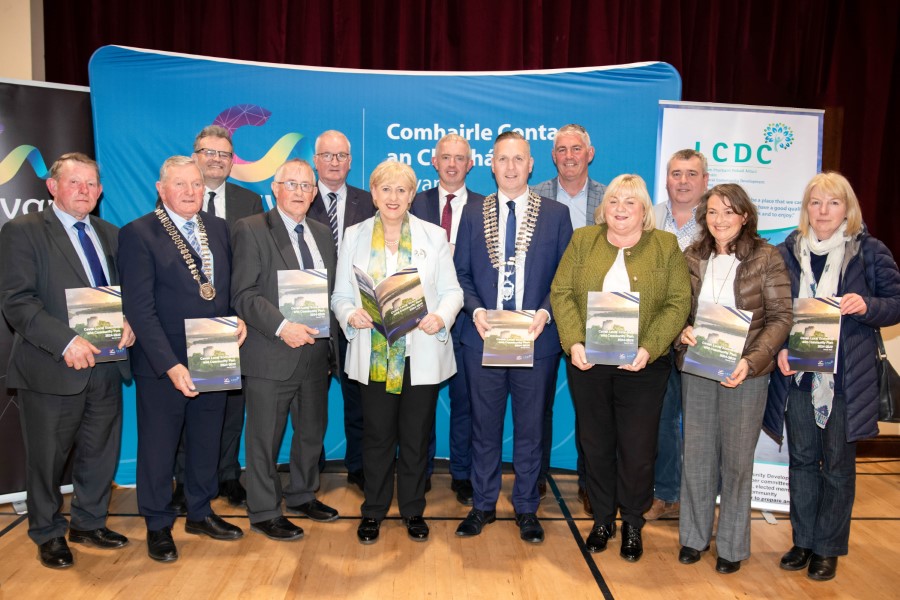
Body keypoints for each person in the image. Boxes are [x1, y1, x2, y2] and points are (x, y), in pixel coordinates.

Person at [0, 153, 134, 569]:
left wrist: (127, 319)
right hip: (51, 366)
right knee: (48, 457)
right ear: (52, 187)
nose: (85, 191)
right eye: (75, 182)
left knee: (100, 451)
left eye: (92, 184)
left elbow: (121, 292)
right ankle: (47, 531)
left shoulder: (110, 234)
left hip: (107, 365)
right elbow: (17, 302)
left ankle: (89, 523)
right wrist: (64, 342)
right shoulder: (23, 231)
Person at [764, 172, 900, 581]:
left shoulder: (870, 252)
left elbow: (895, 304)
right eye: (815, 203)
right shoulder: (786, 251)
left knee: (838, 466)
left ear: (848, 209)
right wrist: (780, 349)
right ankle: (803, 540)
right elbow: (774, 312)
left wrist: (868, 305)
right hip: (800, 376)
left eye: (833, 203)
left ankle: (828, 548)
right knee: (803, 461)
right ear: (806, 209)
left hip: (845, 378)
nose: (823, 211)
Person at [550, 174, 689, 562]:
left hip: (644, 368)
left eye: (630, 202)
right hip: (589, 363)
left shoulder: (665, 245)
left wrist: (649, 347)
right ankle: (601, 520)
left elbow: (678, 302)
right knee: (595, 444)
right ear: (604, 207)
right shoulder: (583, 241)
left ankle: (631, 522)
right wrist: (574, 341)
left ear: (645, 210)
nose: (621, 209)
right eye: (614, 202)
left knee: (637, 448)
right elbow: (561, 292)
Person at [119, 156, 247, 562]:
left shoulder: (219, 229)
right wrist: (170, 364)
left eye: (196, 184)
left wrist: (238, 318)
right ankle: (158, 524)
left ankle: (200, 511)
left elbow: (223, 290)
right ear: (161, 189)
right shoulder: (139, 233)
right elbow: (139, 309)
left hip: (214, 352)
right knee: (159, 446)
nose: (191, 192)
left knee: (207, 441)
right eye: (181, 185)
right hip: (165, 360)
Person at [331, 160, 463, 544]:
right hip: (373, 354)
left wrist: (440, 316)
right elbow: (340, 295)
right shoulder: (353, 236)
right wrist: (349, 313)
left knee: (416, 436)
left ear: (412, 195)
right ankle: (373, 510)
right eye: (385, 189)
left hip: (419, 353)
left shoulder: (433, 236)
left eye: (401, 190)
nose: (393, 197)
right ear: (373, 194)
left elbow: (453, 292)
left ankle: (412, 510)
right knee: (375, 437)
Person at [454, 131, 573, 544]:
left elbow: (564, 277)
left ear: (531, 164)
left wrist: (545, 312)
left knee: (530, 428)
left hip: (535, 338)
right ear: (492, 165)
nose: (510, 166)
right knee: (483, 427)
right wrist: (476, 309)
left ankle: (526, 508)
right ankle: (482, 505)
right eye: (502, 159)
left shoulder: (556, 215)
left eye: (518, 159)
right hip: (483, 336)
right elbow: (462, 273)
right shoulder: (474, 213)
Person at [675, 183, 792, 574]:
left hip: (746, 373)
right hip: (699, 368)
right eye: (712, 212)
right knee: (696, 457)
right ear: (703, 217)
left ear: (744, 216)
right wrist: (681, 333)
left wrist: (752, 362)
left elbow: (781, 318)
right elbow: (676, 309)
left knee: (738, 463)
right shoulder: (691, 256)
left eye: (728, 211)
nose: (720, 219)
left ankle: (731, 546)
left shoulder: (766, 256)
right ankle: (693, 537)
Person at [231, 159, 339, 541]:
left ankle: (301, 494)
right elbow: (243, 294)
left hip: (315, 353)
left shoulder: (323, 234)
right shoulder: (251, 229)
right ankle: (262, 510)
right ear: (274, 189)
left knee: (311, 432)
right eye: (290, 184)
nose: (298, 191)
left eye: (305, 185)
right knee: (264, 437)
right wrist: (282, 326)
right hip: (270, 352)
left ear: (314, 193)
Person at [170, 125, 264, 509]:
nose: (216, 159)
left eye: (224, 154)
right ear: (194, 156)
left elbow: (255, 263)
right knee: (184, 406)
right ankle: (184, 480)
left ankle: (226, 474)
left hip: (233, 321)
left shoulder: (250, 201)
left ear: (232, 161)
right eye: (208, 152)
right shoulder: (174, 197)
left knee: (228, 406)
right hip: (183, 323)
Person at [531, 123, 606, 512]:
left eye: (576, 148)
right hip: (544, 311)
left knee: (592, 409)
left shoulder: (610, 199)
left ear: (589, 153)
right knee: (537, 403)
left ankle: (591, 485)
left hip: (594, 317)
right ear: (553, 155)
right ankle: (536, 477)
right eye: (561, 149)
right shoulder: (535, 195)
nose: (569, 156)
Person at [410, 133, 485, 506]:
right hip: (422, 321)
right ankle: (419, 470)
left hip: (470, 320)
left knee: (466, 402)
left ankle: (462, 473)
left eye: (460, 158)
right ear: (434, 162)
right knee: (420, 404)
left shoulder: (487, 208)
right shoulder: (413, 203)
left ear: (470, 164)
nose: (453, 164)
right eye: (446, 157)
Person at [307, 129, 376, 491]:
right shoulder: (298, 198)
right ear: (315, 160)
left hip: (356, 316)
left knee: (359, 399)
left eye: (342, 156)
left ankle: (359, 466)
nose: (335, 163)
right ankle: (309, 467)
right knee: (309, 400)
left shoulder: (370, 202)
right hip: (310, 317)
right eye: (327, 156)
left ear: (351, 161)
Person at [646, 149, 710, 522]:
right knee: (663, 419)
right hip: (658, 337)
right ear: (666, 179)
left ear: (705, 181)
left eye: (691, 174)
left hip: (704, 338)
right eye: (676, 173)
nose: (683, 181)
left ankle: (702, 498)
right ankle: (666, 492)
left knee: (705, 422)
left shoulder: (717, 222)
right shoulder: (649, 218)